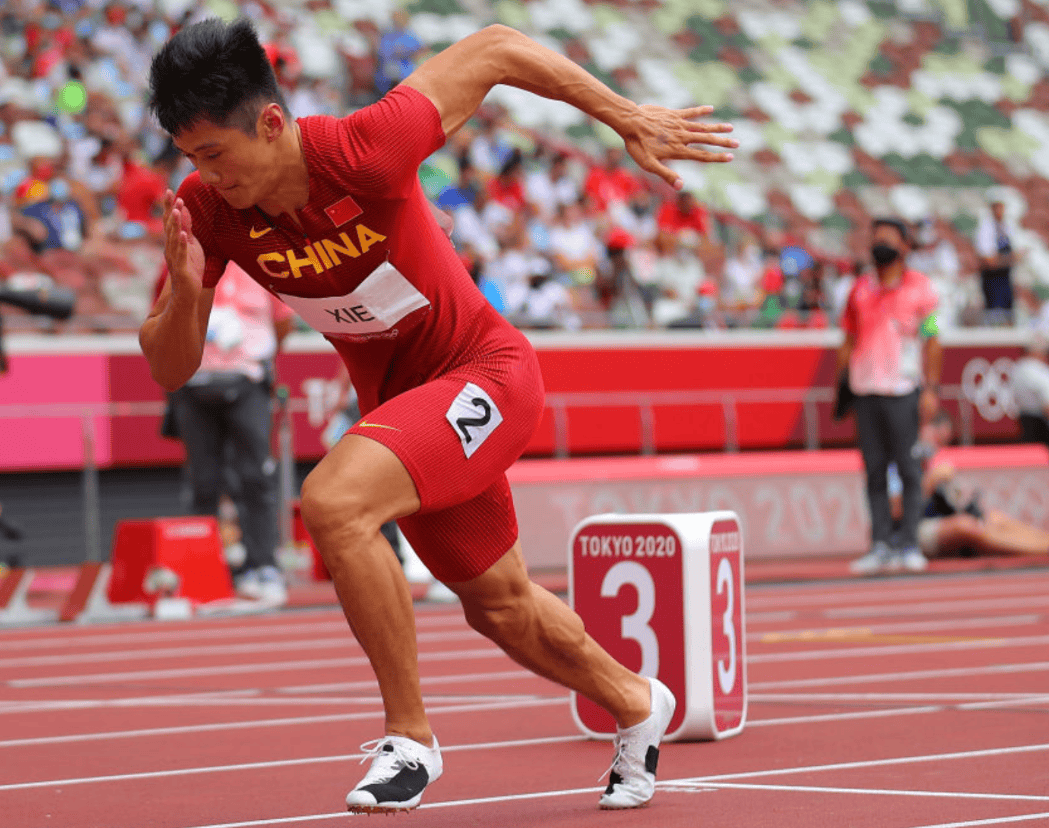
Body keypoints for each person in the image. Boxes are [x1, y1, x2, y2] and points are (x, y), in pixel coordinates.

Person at [143, 19, 736, 813]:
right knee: (499, 607)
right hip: (406, 411)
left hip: (486, 374)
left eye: (215, 154)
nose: (207, 178)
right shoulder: (207, 211)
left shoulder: (362, 149)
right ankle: (637, 701)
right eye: (190, 161)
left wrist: (624, 115)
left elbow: (493, 47)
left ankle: (409, 739)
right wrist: (187, 294)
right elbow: (170, 367)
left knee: (332, 502)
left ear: (272, 121)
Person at [159, 260, 294, 605]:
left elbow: (283, 321)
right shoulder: (180, 260)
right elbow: (160, 318)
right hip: (193, 386)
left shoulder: (262, 263)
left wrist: (255, 354)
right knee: (204, 481)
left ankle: (262, 565)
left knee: (255, 478)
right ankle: (201, 569)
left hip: (246, 381)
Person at [840, 217, 942, 576]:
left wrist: (931, 388)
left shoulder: (922, 289)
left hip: (903, 390)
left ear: (905, 247)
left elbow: (932, 337)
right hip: (866, 390)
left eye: (887, 239)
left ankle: (909, 543)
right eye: (875, 238)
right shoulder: (859, 289)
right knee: (874, 471)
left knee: (910, 470)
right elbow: (848, 338)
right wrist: (844, 382)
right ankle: (880, 544)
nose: (879, 244)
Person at [888, 411, 1049, 560]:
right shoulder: (897, 461)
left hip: (936, 519)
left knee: (994, 517)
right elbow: (895, 512)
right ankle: (1042, 551)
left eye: (942, 443)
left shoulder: (928, 463)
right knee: (964, 526)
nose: (936, 447)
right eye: (937, 438)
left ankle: (1045, 542)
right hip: (908, 531)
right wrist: (930, 482)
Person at [974, 197, 1017, 326]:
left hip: (1005, 279)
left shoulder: (1007, 227)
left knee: (1008, 315)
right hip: (992, 281)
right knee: (995, 319)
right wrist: (1009, 259)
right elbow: (989, 261)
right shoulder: (985, 229)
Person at [1011, 333, 1049, 449]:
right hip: (1041, 427)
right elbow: (1047, 405)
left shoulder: (1017, 369)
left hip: (1025, 424)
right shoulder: (1038, 371)